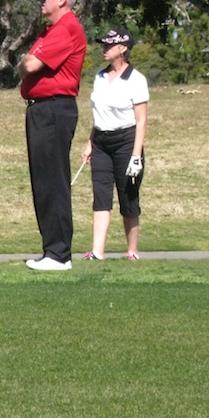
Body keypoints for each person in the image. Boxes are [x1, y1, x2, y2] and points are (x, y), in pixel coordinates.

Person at [19, 0, 87, 271]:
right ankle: (52, 251)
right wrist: (27, 60)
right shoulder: (51, 31)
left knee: (53, 182)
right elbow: (26, 66)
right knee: (43, 181)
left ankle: (59, 254)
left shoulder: (67, 28)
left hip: (54, 109)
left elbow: (29, 65)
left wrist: (27, 59)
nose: (42, 1)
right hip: (42, 110)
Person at [80, 29, 149, 260]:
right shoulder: (100, 76)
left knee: (128, 196)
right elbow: (99, 114)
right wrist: (90, 142)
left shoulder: (136, 79)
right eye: (104, 45)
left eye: (110, 45)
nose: (104, 49)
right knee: (101, 196)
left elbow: (141, 121)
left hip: (126, 142)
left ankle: (132, 250)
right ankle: (97, 251)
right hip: (101, 142)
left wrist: (136, 156)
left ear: (123, 48)